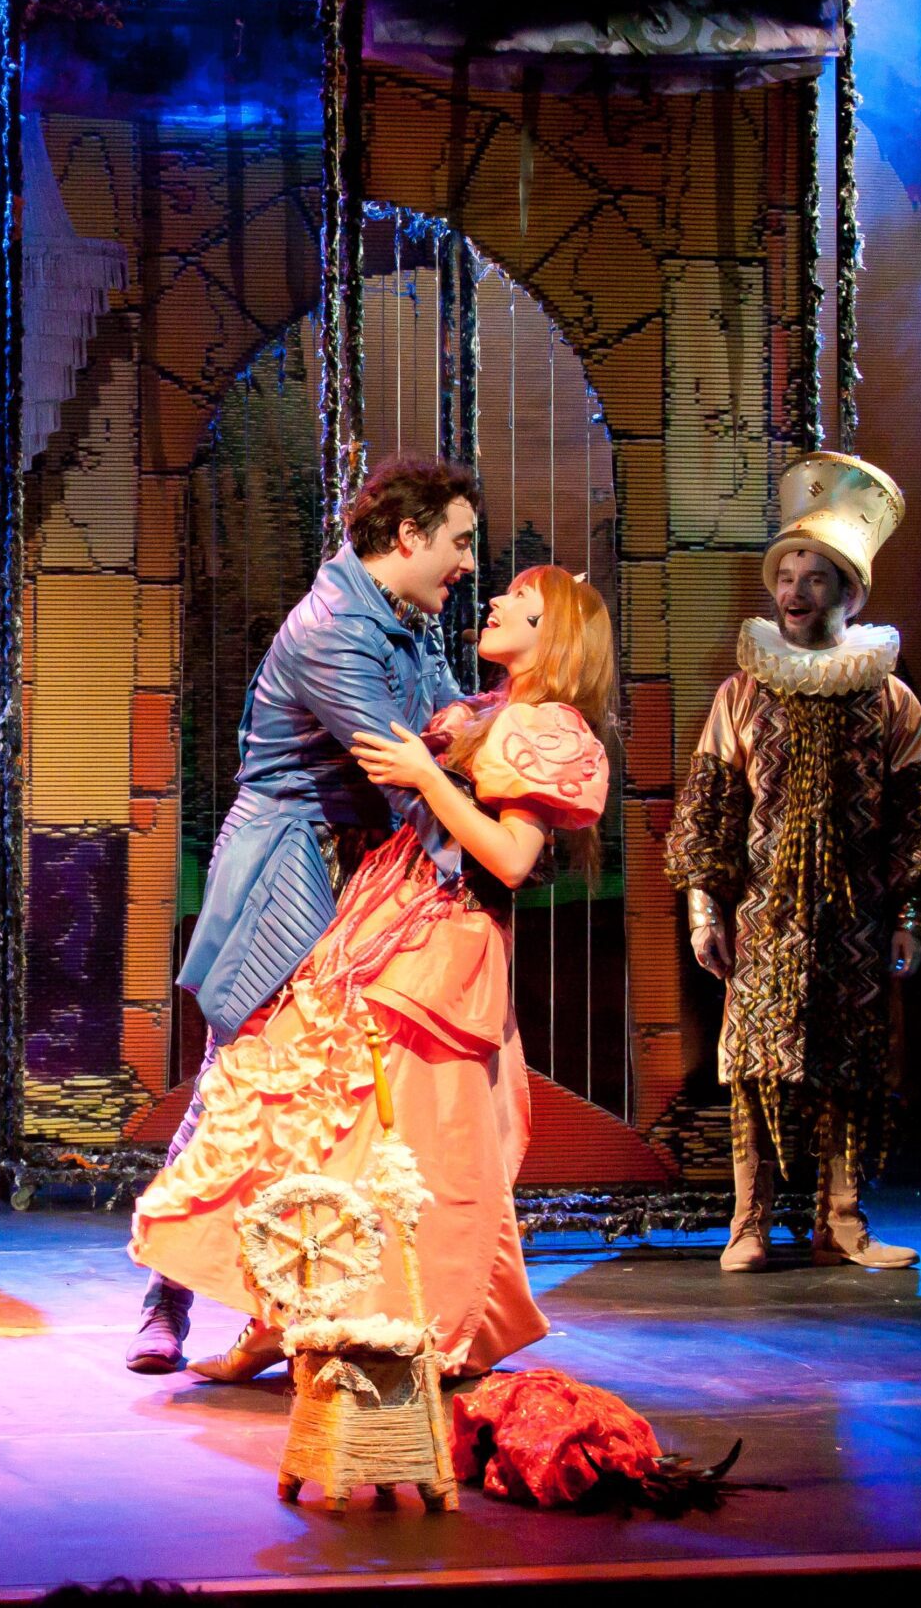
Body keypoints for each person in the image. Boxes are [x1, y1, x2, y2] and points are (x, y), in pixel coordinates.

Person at [130, 566, 614, 1383]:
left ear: (552, 635)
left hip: (440, 943)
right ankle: (282, 1314)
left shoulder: (545, 727)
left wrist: (425, 776)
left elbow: (510, 856)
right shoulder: (480, 709)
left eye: (519, 604)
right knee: (314, 1118)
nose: (494, 601)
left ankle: (400, 1323)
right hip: (383, 919)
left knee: (401, 1146)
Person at [128, 455, 477, 1372]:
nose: (468, 562)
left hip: (369, 871)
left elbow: (453, 723)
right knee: (239, 1081)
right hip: (294, 870)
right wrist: (479, 852)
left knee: (338, 1099)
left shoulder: (406, 618)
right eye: (460, 541)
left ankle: (307, 1300)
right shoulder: (334, 628)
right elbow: (398, 765)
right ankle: (165, 1295)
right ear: (409, 537)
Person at [664, 453, 921, 1272]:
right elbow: (708, 810)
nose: (795, 591)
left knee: (852, 1066)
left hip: (854, 915)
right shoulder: (742, 694)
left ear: (848, 593)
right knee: (754, 1065)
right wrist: (704, 908)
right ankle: (749, 1220)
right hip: (764, 915)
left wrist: (911, 916)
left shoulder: (889, 698)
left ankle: (842, 1218)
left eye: (815, 577)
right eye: (786, 576)